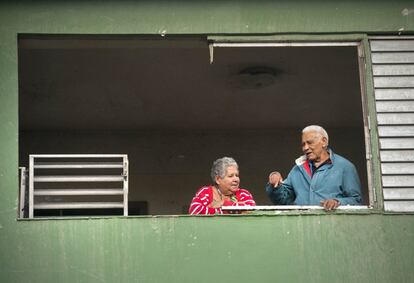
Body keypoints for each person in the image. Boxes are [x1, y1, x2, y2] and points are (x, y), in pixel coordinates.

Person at [265, 125, 362, 210]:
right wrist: (275, 186)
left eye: (310, 142)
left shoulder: (345, 167)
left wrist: (337, 202)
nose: (305, 148)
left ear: (324, 142)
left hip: (333, 226)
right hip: (302, 226)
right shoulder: (298, 169)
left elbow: (356, 200)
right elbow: (282, 200)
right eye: (303, 144)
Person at [189, 157, 256, 215]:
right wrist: (235, 211)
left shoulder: (243, 193)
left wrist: (224, 204)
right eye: (230, 176)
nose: (236, 179)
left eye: (237, 175)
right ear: (218, 179)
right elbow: (195, 211)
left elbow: (251, 210)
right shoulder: (205, 192)